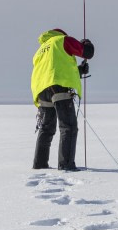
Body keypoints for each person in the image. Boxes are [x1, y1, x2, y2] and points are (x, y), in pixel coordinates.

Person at [31, 28, 95, 171]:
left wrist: (79, 70)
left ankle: (40, 165)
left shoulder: (41, 50)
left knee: (46, 129)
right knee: (68, 127)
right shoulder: (62, 40)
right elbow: (87, 52)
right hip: (59, 88)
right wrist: (86, 43)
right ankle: (66, 165)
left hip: (42, 91)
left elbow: (54, 69)